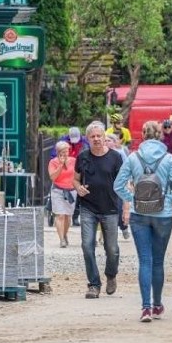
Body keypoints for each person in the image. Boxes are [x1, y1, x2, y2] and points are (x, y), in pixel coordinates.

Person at [114, 121, 172, 322]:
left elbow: (118, 185)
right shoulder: (169, 158)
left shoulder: (132, 158)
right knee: (158, 261)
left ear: (143, 135)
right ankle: (157, 305)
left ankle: (145, 307)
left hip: (139, 214)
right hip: (162, 215)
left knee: (145, 261)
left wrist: (132, 200)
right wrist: (167, 200)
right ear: (161, 135)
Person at [74, 121, 125, 299]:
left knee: (112, 249)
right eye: (92, 136)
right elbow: (75, 179)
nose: (96, 139)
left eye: (99, 136)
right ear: (87, 139)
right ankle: (94, 284)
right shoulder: (83, 157)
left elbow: (124, 183)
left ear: (104, 137)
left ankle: (111, 275)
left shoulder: (116, 157)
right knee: (87, 246)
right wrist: (78, 188)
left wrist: (126, 207)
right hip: (88, 207)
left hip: (110, 208)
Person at [51, 127, 89, 226]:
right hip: (64, 167)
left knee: (79, 193)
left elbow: (88, 154)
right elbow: (54, 155)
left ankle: (75, 216)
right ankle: (52, 209)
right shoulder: (63, 141)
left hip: (79, 170)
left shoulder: (84, 142)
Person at [48, 141, 78, 248]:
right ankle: (61, 240)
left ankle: (65, 235)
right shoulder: (53, 162)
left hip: (71, 191)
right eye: (62, 152)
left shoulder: (74, 161)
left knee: (68, 217)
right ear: (57, 152)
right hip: (58, 190)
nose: (65, 154)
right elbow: (52, 177)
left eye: (66, 151)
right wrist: (60, 165)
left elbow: (78, 175)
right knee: (60, 215)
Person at [106, 133, 130, 240]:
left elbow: (126, 168)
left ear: (115, 143)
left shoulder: (120, 153)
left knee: (120, 208)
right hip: (107, 186)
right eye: (105, 140)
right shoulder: (102, 153)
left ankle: (124, 227)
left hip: (119, 186)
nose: (106, 142)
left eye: (109, 140)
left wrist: (127, 182)